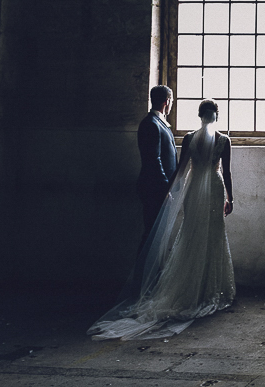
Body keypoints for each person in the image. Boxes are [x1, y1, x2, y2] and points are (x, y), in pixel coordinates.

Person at [90, 99, 236, 340]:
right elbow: (227, 171)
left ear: (200, 116)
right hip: (214, 186)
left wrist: (171, 190)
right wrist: (232, 198)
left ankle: (192, 288)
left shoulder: (189, 138)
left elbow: (181, 169)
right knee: (213, 235)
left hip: (193, 189)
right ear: (216, 117)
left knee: (190, 233)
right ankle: (209, 289)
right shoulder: (224, 140)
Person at [137, 85, 177, 244]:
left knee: (159, 235)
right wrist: (165, 188)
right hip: (155, 189)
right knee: (153, 234)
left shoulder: (158, 122)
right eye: (171, 101)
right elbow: (153, 159)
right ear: (167, 101)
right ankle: (144, 269)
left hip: (161, 188)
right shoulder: (151, 124)